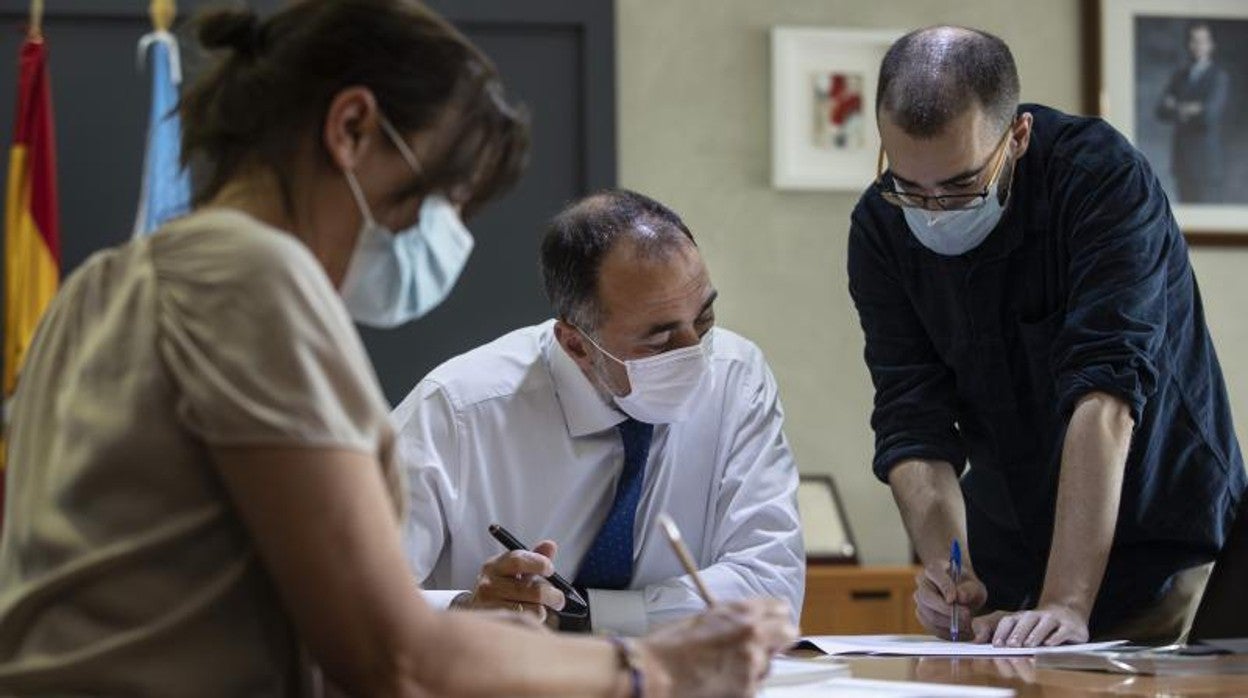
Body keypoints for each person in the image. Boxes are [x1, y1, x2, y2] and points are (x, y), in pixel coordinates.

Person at [0, 2, 795, 695]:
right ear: (351, 129)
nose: (444, 232)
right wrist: (656, 673)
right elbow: (393, 657)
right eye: (445, 194)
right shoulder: (255, 279)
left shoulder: (102, 283)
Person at [848, 26, 1245, 648]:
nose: (932, 210)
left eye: (959, 186)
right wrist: (952, 571)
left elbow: (1107, 393)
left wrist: (1066, 602)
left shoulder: (1100, 179)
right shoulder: (880, 225)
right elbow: (911, 418)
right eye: (909, 186)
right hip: (1009, 548)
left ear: (1018, 137)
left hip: (1158, 539)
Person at [394, 189, 805, 636]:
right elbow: (344, 597)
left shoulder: (737, 378)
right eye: (659, 341)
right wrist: (463, 610)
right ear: (576, 344)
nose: (696, 357)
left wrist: (582, 614)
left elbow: (773, 590)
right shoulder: (457, 410)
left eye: (704, 320)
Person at [1155, 22, 1229, 203]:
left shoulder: (1218, 77)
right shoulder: (1179, 76)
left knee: (1207, 223)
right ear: (1188, 44)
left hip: (1207, 163)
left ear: (1211, 45)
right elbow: (1161, 111)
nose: (1197, 46)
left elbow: (1208, 115)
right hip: (1182, 160)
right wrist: (1192, 107)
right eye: (1193, 41)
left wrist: (1177, 106)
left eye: (1202, 41)